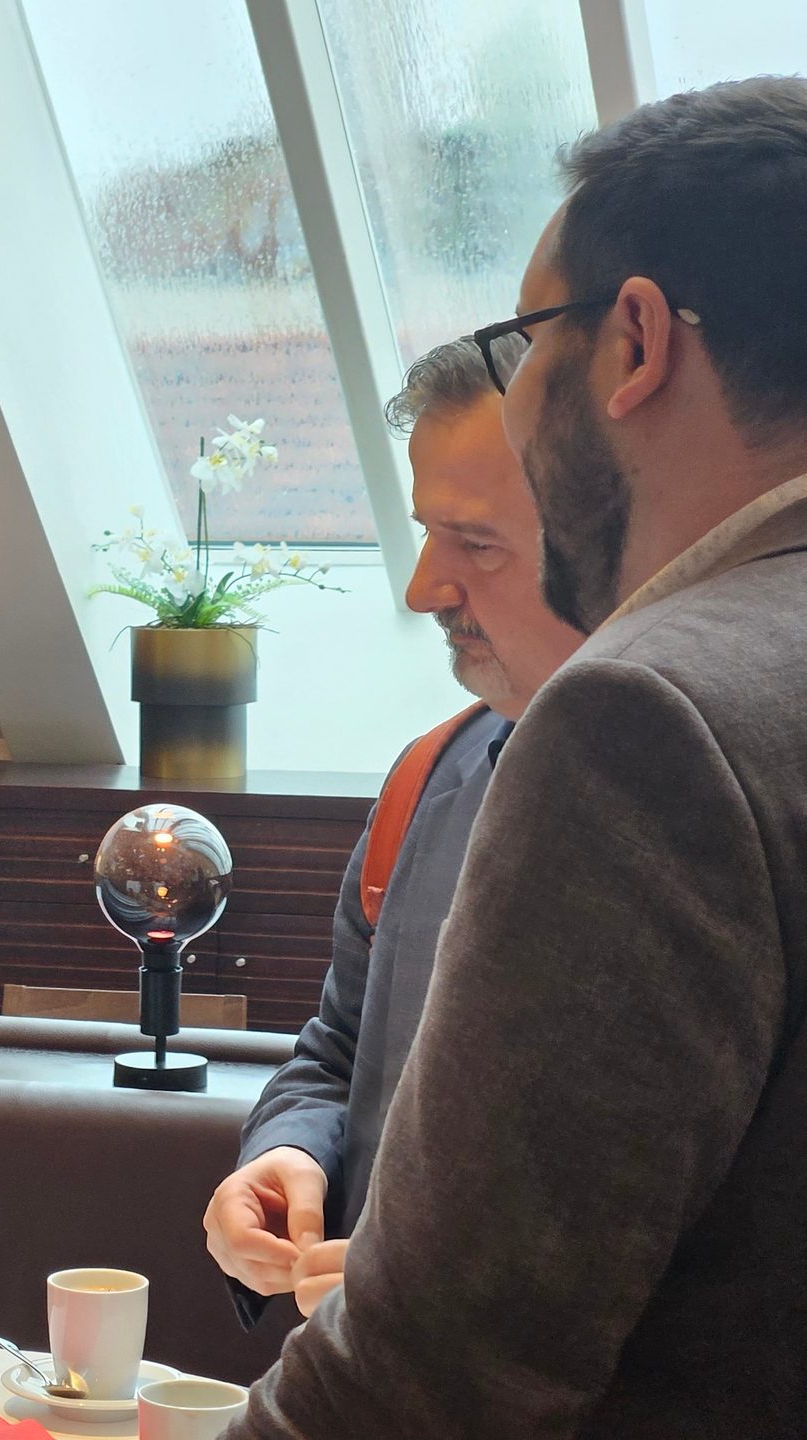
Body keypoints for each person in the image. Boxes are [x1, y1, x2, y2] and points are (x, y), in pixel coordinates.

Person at [231, 76, 807, 1437]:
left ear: (638, 344)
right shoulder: (453, 771)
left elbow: (433, 1376)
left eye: (530, 339)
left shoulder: (645, 721)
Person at [203, 337, 584, 1325]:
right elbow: (339, 1051)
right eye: (427, 534)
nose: (422, 589)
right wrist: (285, 1155)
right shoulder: (426, 779)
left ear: (611, 536)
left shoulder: (718, 807)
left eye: (478, 543)